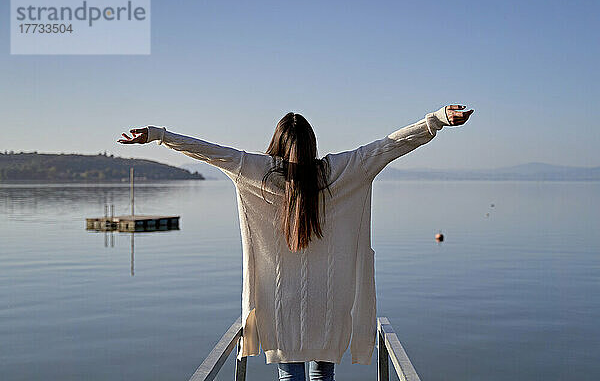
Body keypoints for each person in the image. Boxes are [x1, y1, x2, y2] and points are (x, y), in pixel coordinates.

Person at [118, 104, 473, 381]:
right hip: (331, 300)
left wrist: (158, 135)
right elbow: (390, 145)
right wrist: (437, 119)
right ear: (312, 144)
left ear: (277, 143)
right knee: (324, 373)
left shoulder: (257, 170)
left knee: (290, 375)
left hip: (280, 301)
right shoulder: (344, 169)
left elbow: (209, 151)